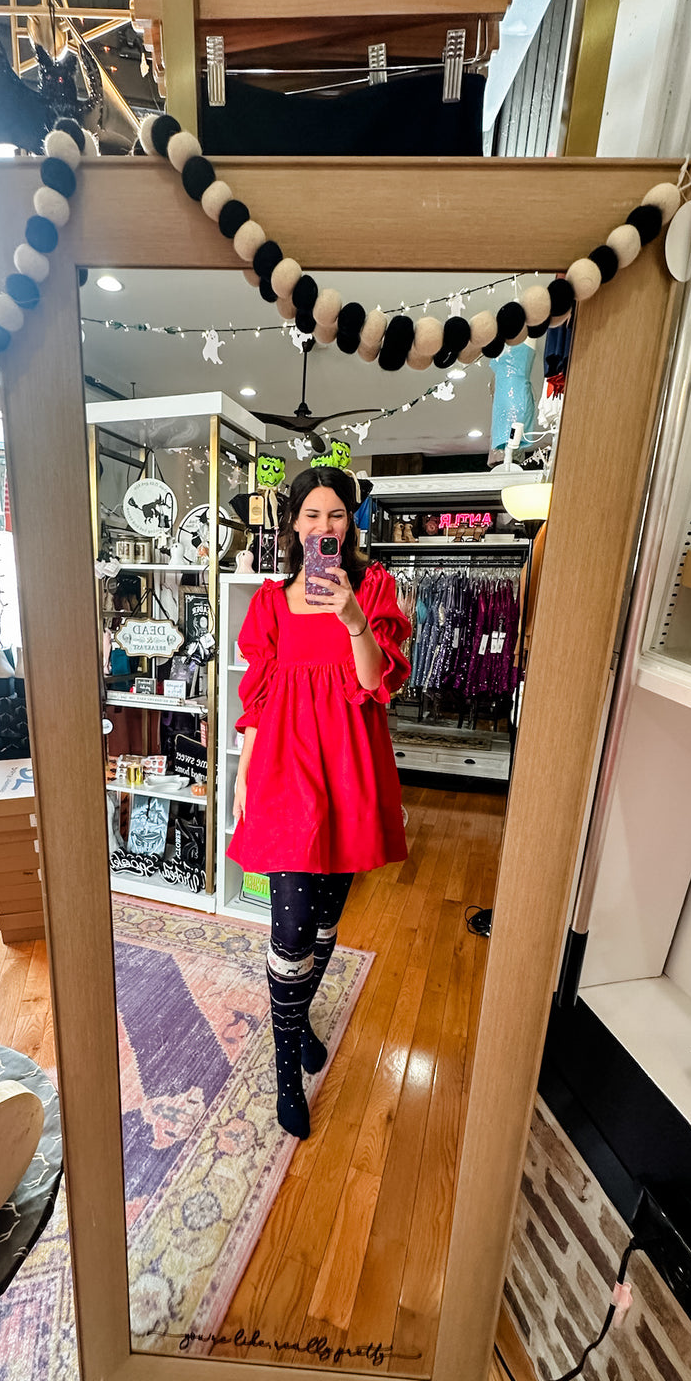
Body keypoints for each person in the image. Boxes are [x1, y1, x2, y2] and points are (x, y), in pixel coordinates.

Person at [226, 458, 411, 1139]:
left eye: (336, 514)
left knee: (329, 920)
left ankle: (299, 1018)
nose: (323, 526)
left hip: (351, 772)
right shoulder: (270, 602)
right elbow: (257, 701)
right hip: (282, 771)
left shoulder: (377, 589)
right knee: (290, 928)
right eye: (311, 515)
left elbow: (378, 683)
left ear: (351, 523)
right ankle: (285, 1077)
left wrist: (355, 619)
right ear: (293, 525)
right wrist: (244, 778)